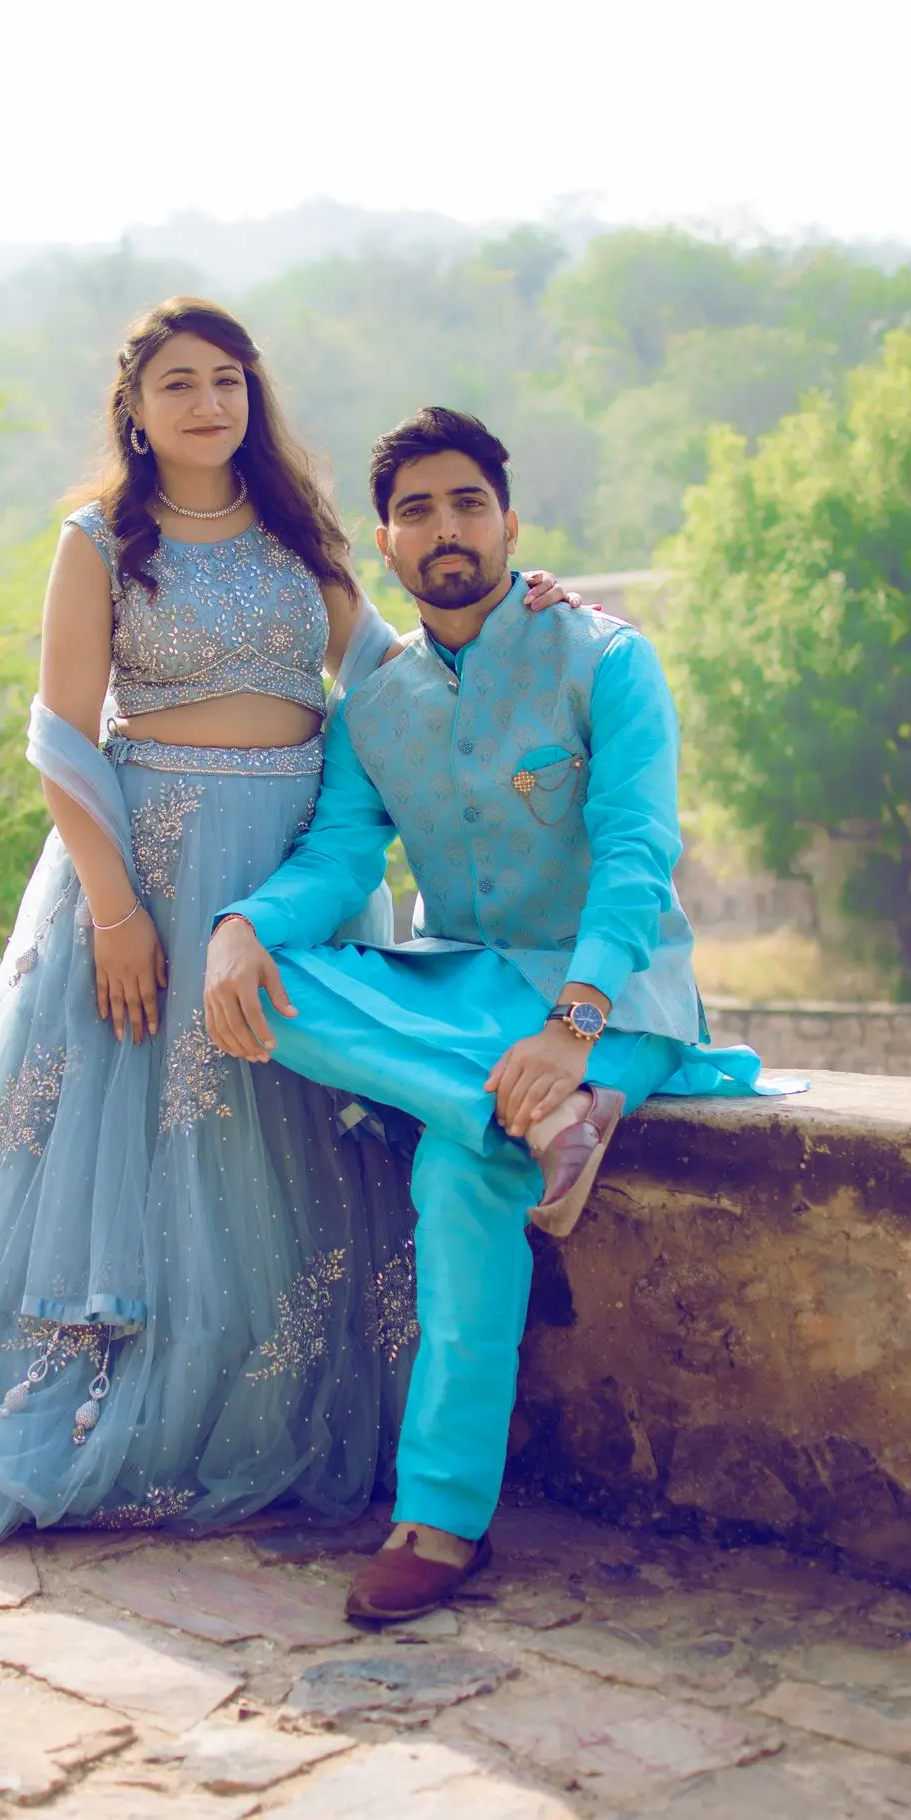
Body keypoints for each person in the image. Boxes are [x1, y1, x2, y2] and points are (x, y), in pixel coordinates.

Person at [0, 305, 576, 1544]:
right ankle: (110, 1406)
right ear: (134, 406)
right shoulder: (99, 540)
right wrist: (116, 913)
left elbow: (392, 668)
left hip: (297, 865)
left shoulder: (298, 531)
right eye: (177, 383)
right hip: (148, 870)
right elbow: (61, 738)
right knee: (142, 1138)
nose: (207, 402)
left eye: (226, 379)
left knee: (295, 1133)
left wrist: (516, 605)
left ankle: (287, 1407)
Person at [204, 405, 807, 1621]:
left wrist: (570, 1029)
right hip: (467, 1000)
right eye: (416, 509)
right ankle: (529, 1123)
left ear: (507, 520)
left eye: (465, 503)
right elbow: (336, 860)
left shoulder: (602, 657)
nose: (444, 528)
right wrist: (243, 926)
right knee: (272, 976)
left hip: (614, 999)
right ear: (386, 543)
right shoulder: (374, 704)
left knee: (449, 1176)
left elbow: (636, 857)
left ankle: (435, 1523)